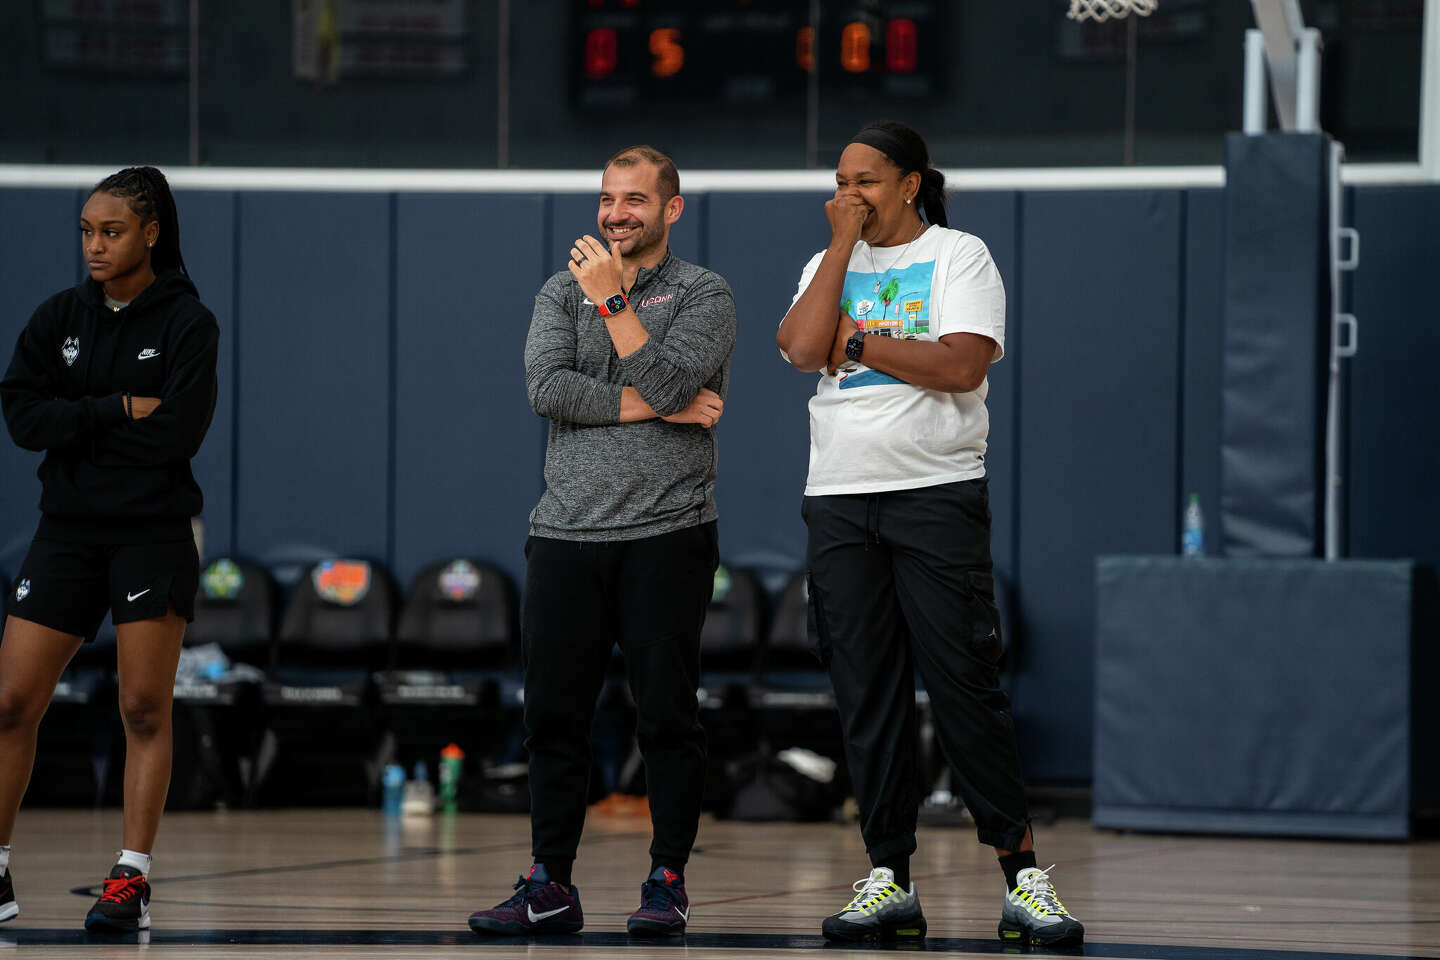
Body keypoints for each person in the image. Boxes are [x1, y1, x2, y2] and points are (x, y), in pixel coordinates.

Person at [775, 121, 1084, 947]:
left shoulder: (960, 255)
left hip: (935, 493)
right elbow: (802, 348)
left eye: (867, 181)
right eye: (841, 181)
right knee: (865, 691)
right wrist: (841, 250)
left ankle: (1022, 877)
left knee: (963, 687)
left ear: (911, 184)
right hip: (839, 496)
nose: (849, 195)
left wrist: (863, 341)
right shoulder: (823, 265)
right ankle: (889, 876)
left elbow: (960, 365)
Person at [466, 145, 735, 939]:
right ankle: (550, 884)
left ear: (671, 209)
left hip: (668, 534)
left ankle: (667, 880)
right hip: (564, 534)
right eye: (609, 198)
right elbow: (547, 390)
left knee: (667, 720)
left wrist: (616, 308)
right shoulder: (559, 290)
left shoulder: (703, 293)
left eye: (636, 200)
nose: (618, 213)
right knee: (552, 718)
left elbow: (671, 379)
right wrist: (663, 406)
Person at [0, 166, 218, 932]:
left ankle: (131, 876)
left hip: (150, 535)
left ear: (151, 232)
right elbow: (23, 415)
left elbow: (177, 436)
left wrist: (81, 429)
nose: (95, 245)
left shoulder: (188, 325)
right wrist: (116, 409)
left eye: (112, 231)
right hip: (66, 532)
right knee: (10, 704)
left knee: (142, 706)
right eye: (87, 231)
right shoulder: (59, 315)